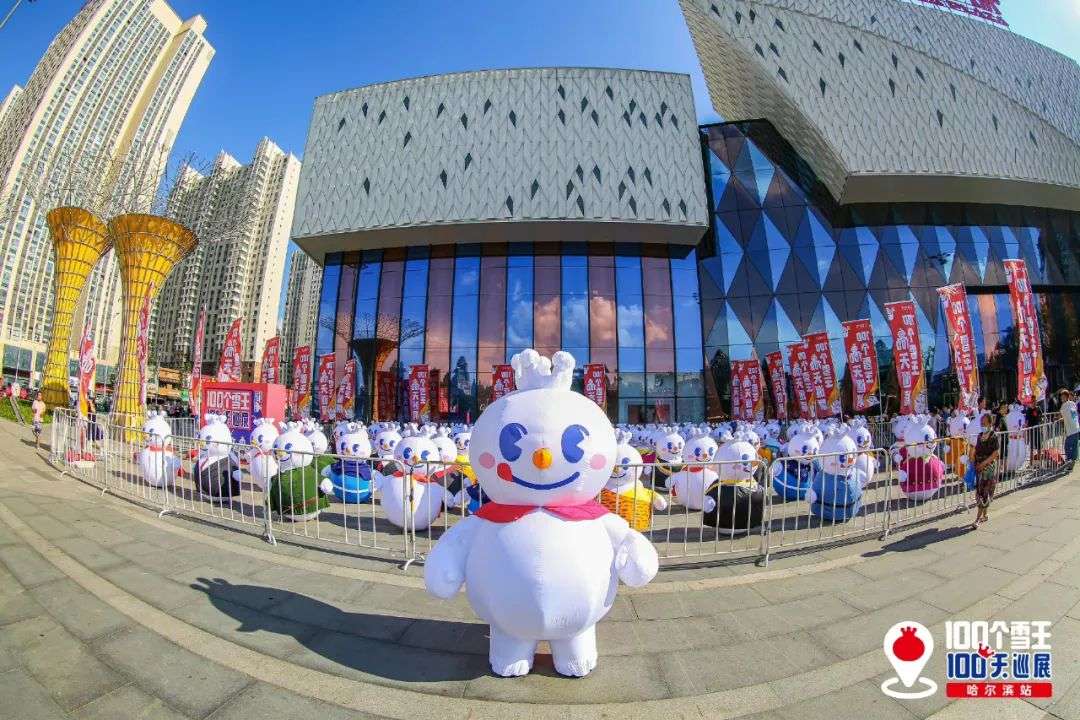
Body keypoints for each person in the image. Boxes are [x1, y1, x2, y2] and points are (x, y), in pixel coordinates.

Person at [971, 411, 1001, 528]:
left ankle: (978, 519)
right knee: (980, 491)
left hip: (988, 467)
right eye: (981, 423)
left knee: (984, 491)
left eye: (984, 423)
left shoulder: (993, 436)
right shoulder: (979, 436)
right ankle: (985, 514)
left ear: (990, 423)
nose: (982, 425)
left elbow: (995, 453)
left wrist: (984, 463)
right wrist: (972, 457)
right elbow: (976, 449)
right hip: (978, 467)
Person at [1061, 390, 1079, 465]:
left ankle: (1069, 462)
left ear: (1066, 397)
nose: (1061, 398)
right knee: (1074, 446)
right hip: (1076, 428)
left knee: (1067, 446)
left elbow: (1061, 415)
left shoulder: (1064, 406)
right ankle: (1073, 461)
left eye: (1062, 397)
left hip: (1071, 430)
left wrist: (1057, 418)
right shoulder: (1073, 403)